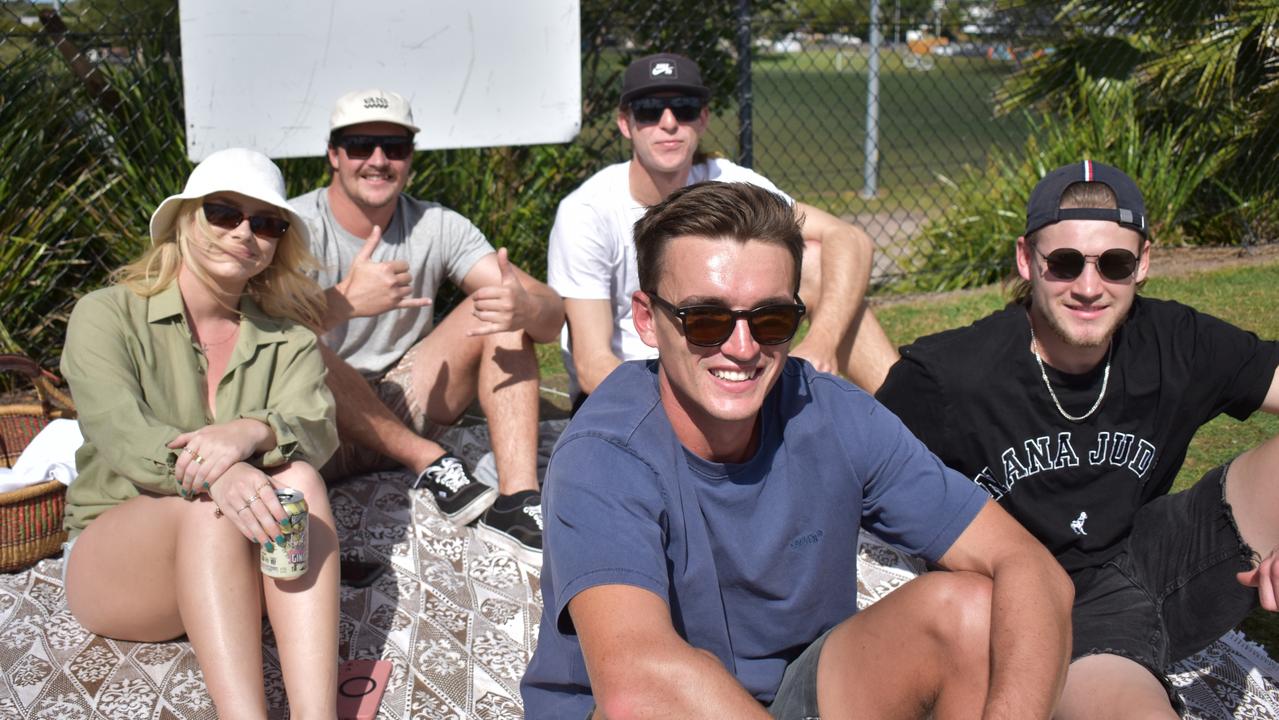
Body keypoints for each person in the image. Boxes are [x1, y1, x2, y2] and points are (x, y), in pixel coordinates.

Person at [522, 181, 1074, 719]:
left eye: (771, 320)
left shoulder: (831, 412)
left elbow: (1028, 565)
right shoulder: (605, 453)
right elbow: (638, 688)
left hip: (798, 692)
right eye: (706, 321)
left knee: (972, 612)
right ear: (647, 319)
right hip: (653, 704)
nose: (742, 349)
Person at [875, 160, 1279, 719]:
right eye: (1064, 263)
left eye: (1114, 264)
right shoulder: (950, 376)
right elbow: (848, 472)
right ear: (1026, 259)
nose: (1089, 288)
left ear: (1143, 264)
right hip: (1038, 607)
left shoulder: (1175, 340)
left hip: (1155, 555)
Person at [60, 148, 340, 718]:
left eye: (266, 223)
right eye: (223, 212)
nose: (245, 233)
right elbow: (122, 433)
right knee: (206, 508)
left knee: (302, 480)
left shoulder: (290, 341)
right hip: (121, 558)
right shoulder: (106, 315)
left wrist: (250, 431)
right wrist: (221, 474)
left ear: (277, 245)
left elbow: (317, 426)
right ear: (186, 219)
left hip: (240, 564)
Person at [290, 89, 564, 563]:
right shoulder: (292, 226)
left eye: (394, 148)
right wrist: (340, 305)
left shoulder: (437, 225)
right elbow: (258, 336)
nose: (378, 160)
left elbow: (552, 313)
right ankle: (425, 459)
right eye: (361, 146)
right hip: (322, 425)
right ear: (333, 155)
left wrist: (525, 309)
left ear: (410, 158)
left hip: (403, 398)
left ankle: (518, 502)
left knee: (498, 303)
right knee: (301, 346)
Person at [547, 52, 899, 411]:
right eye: (650, 110)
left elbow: (849, 238)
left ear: (702, 119)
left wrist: (822, 343)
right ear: (626, 123)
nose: (668, 123)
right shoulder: (587, 211)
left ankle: (910, 421)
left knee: (819, 262)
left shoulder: (727, 181)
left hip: (727, 372)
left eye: (684, 108)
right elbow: (592, 367)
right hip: (626, 396)